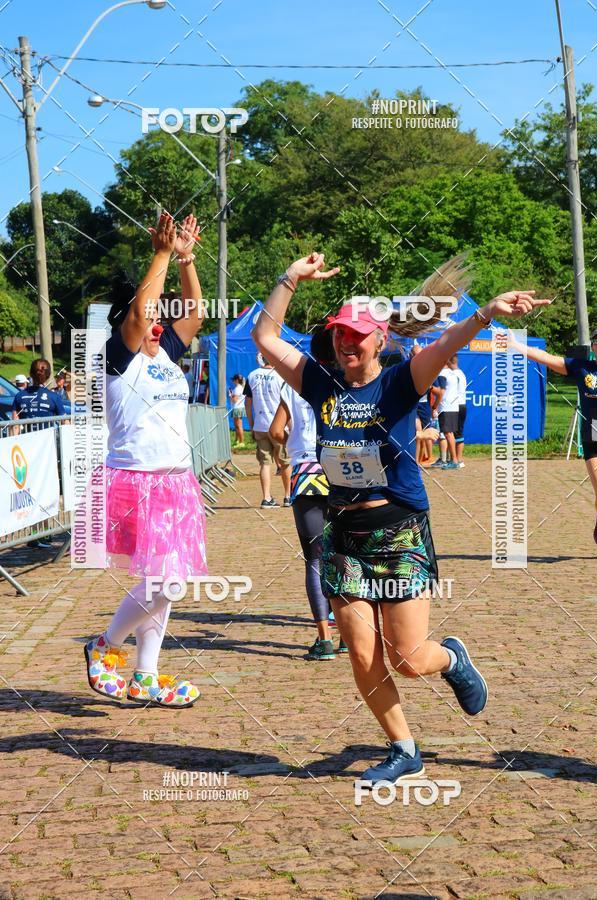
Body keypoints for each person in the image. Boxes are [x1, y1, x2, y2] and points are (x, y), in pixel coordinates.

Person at [253, 251, 548, 785]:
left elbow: (443, 344)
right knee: (362, 653)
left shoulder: (399, 382)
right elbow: (267, 338)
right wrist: (290, 277)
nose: (346, 342)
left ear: (381, 338)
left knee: (408, 658)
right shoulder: (319, 383)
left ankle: (452, 660)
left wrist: (488, 314)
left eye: (357, 335)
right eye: (340, 333)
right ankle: (403, 747)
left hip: (399, 531)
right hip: (343, 533)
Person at [84, 212, 207, 708]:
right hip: (137, 480)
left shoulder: (165, 354)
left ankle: (145, 675)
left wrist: (185, 258)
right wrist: (158, 253)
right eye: (149, 320)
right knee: (165, 581)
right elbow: (138, 316)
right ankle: (105, 646)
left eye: (161, 321)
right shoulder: (119, 355)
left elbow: (195, 310)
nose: (157, 326)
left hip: (177, 481)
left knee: (167, 585)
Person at [269, 328, 347, 660]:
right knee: (345, 556)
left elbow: (275, 429)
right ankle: (348, 633)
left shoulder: (296, 383)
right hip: (343, 472)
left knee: (315, 559)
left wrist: (290, 445)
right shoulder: (351, 382)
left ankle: (324, 639)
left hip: (306, 473)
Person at [509, 326, 597, 546]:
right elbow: (547, 358)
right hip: (594, 436)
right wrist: (516, 346)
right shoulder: (582, 368)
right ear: (594, 348)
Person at [244, 352, 291, 508]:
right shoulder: (281, 377)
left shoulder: (252, 375)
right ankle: (288, 496)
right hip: (278, 426)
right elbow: (287, 404)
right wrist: (291, 428)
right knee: (285, 462)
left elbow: (248, 404)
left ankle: (266, 497)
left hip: (260, 424)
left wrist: (251, 425)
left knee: (265, 463)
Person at [411, 345, 445, 466]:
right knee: (418, 430)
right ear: (411, 356)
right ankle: (416, 460)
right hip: (411, 406)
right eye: (415, 355)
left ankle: (426, 458)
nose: (418, 358)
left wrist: (435, 406)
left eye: (420, 355)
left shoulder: (429, 369)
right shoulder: (405, 369)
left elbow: (439, 392)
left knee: (426, 432)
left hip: (424, 406)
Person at [12, 359, 65, 427]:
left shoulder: (19, 396)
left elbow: (14, 426)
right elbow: (64, 421)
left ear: (30, 373)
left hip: (27, 437)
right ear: (48, 375)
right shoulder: (54, 397)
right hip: (49, 437)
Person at [433, 356, 460, 469]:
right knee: (450, 434)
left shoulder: (443, 373)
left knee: (448, 434)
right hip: (453, 406)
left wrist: (435, 406)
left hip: (446, 407)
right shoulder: (453, 373)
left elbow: (442, 392)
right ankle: (454, 460)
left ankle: (454, 461)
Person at [453, 356, 468, 468]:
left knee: (457, 432)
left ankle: (459, 460)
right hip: (460, 405)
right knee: (456, 432)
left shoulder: (455, 375)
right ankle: (456, 459)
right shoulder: (461, 373)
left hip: (456, 405)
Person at [229, 374, 245, 447]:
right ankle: (237, 440)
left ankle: (241, 442)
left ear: (237, 380)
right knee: (236, 426)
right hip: (238, 408)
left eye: (233, 380)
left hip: (237, 408)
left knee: (239, 426)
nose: (232, 381)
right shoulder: (239, 388)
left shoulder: (237, 389)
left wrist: (230, 395)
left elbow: (234, 400)